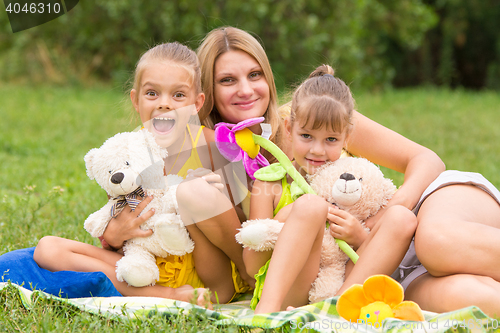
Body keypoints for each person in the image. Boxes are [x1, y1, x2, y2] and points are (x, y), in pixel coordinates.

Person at [33, 42, 241, 306]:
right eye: (152, 93)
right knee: (47, 248)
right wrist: (112, 235)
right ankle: (169, 296)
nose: (164, 104)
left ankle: (239, 278)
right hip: (148, 269)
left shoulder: (214, 147)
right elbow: (122, 224)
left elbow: (239, 225)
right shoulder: (126, 153)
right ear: (136, 100)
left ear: (195, 104)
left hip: (208, 277)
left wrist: (206, 198)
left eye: (178, 95)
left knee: (194, 192)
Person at [244, 65, 418, 313]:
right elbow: (251, 265)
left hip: (342, 281)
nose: (317, 150)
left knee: (402, 218)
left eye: (331, 140)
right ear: (290, 129)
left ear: (347, 137)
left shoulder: (352, 182)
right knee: (312, 205)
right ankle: (266, 313)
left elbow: (370, 251)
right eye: (306, 136)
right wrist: (289, 216)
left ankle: (339, 307)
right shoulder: (269, 183)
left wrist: (359, 235)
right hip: (290, 291)